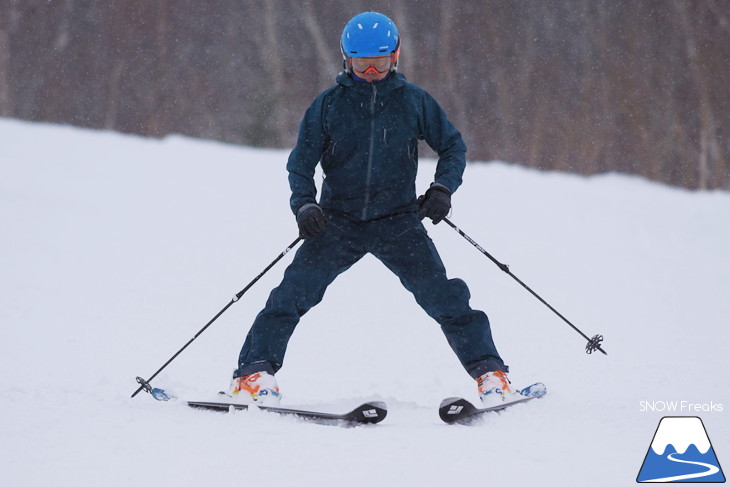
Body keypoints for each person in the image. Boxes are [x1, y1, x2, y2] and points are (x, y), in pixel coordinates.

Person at [230, 11, 521, 408]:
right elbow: (300, 165)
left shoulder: (414, 102)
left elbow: (453, 147)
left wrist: (442, 189)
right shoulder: (328, 106)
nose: (370, 71)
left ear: (395, 57)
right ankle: (253, 374)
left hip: (398, 221)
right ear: (344, 59)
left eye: (379, 62)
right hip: (336, 222)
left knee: (445, 297)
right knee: (291, 295)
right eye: (360, 62)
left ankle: (491, 374)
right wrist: (305, 206)